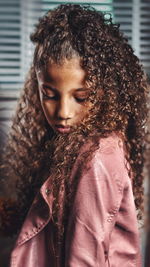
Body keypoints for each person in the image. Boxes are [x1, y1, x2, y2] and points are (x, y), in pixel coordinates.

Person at [0, 4, 149, 267]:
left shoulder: (97, 158)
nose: (63, 112)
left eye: (81, 97)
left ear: (105, 90)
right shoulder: (68, 142)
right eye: (49, 94)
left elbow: (85, 259)